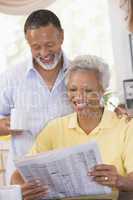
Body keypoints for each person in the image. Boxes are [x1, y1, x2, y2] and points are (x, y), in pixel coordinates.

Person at [11, 55, 133, 200]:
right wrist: (21, 190)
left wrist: (119, 180)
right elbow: (17, 175)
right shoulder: (54, 128)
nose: (79, 96)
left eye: (88, 91)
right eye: (73, 89)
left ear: (102, 91)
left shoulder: (125, 126)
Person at [0, 9, 73, 182]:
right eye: (36, 47)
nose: (44, 53)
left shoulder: (79, 73)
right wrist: (3, 126)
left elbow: (96, 119)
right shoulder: (11, 77)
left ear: (61, 36)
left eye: (49, 45)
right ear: (28, 43)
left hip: (70, 174)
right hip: (25, 178)